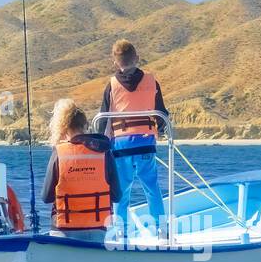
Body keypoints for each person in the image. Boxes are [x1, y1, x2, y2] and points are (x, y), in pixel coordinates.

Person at [99, 39, 167, 231]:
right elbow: (161, 112)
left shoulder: (111, 86)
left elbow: (103, 120)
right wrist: (161, 129)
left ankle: (121, 231)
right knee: (151, 187)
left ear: (115, 62)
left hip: (121, 145)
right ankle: (161, 229)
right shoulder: (152, 81)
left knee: (122, 190)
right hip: (145, 142)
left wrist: (99, 145)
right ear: (136, 58)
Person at [41, 99, 120, 242]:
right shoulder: (104, 152)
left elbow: (46, 197)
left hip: (63, 231)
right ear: (85, 125)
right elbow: (117, 196)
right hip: (97, 231)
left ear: (63, 128)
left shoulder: (59, 153)